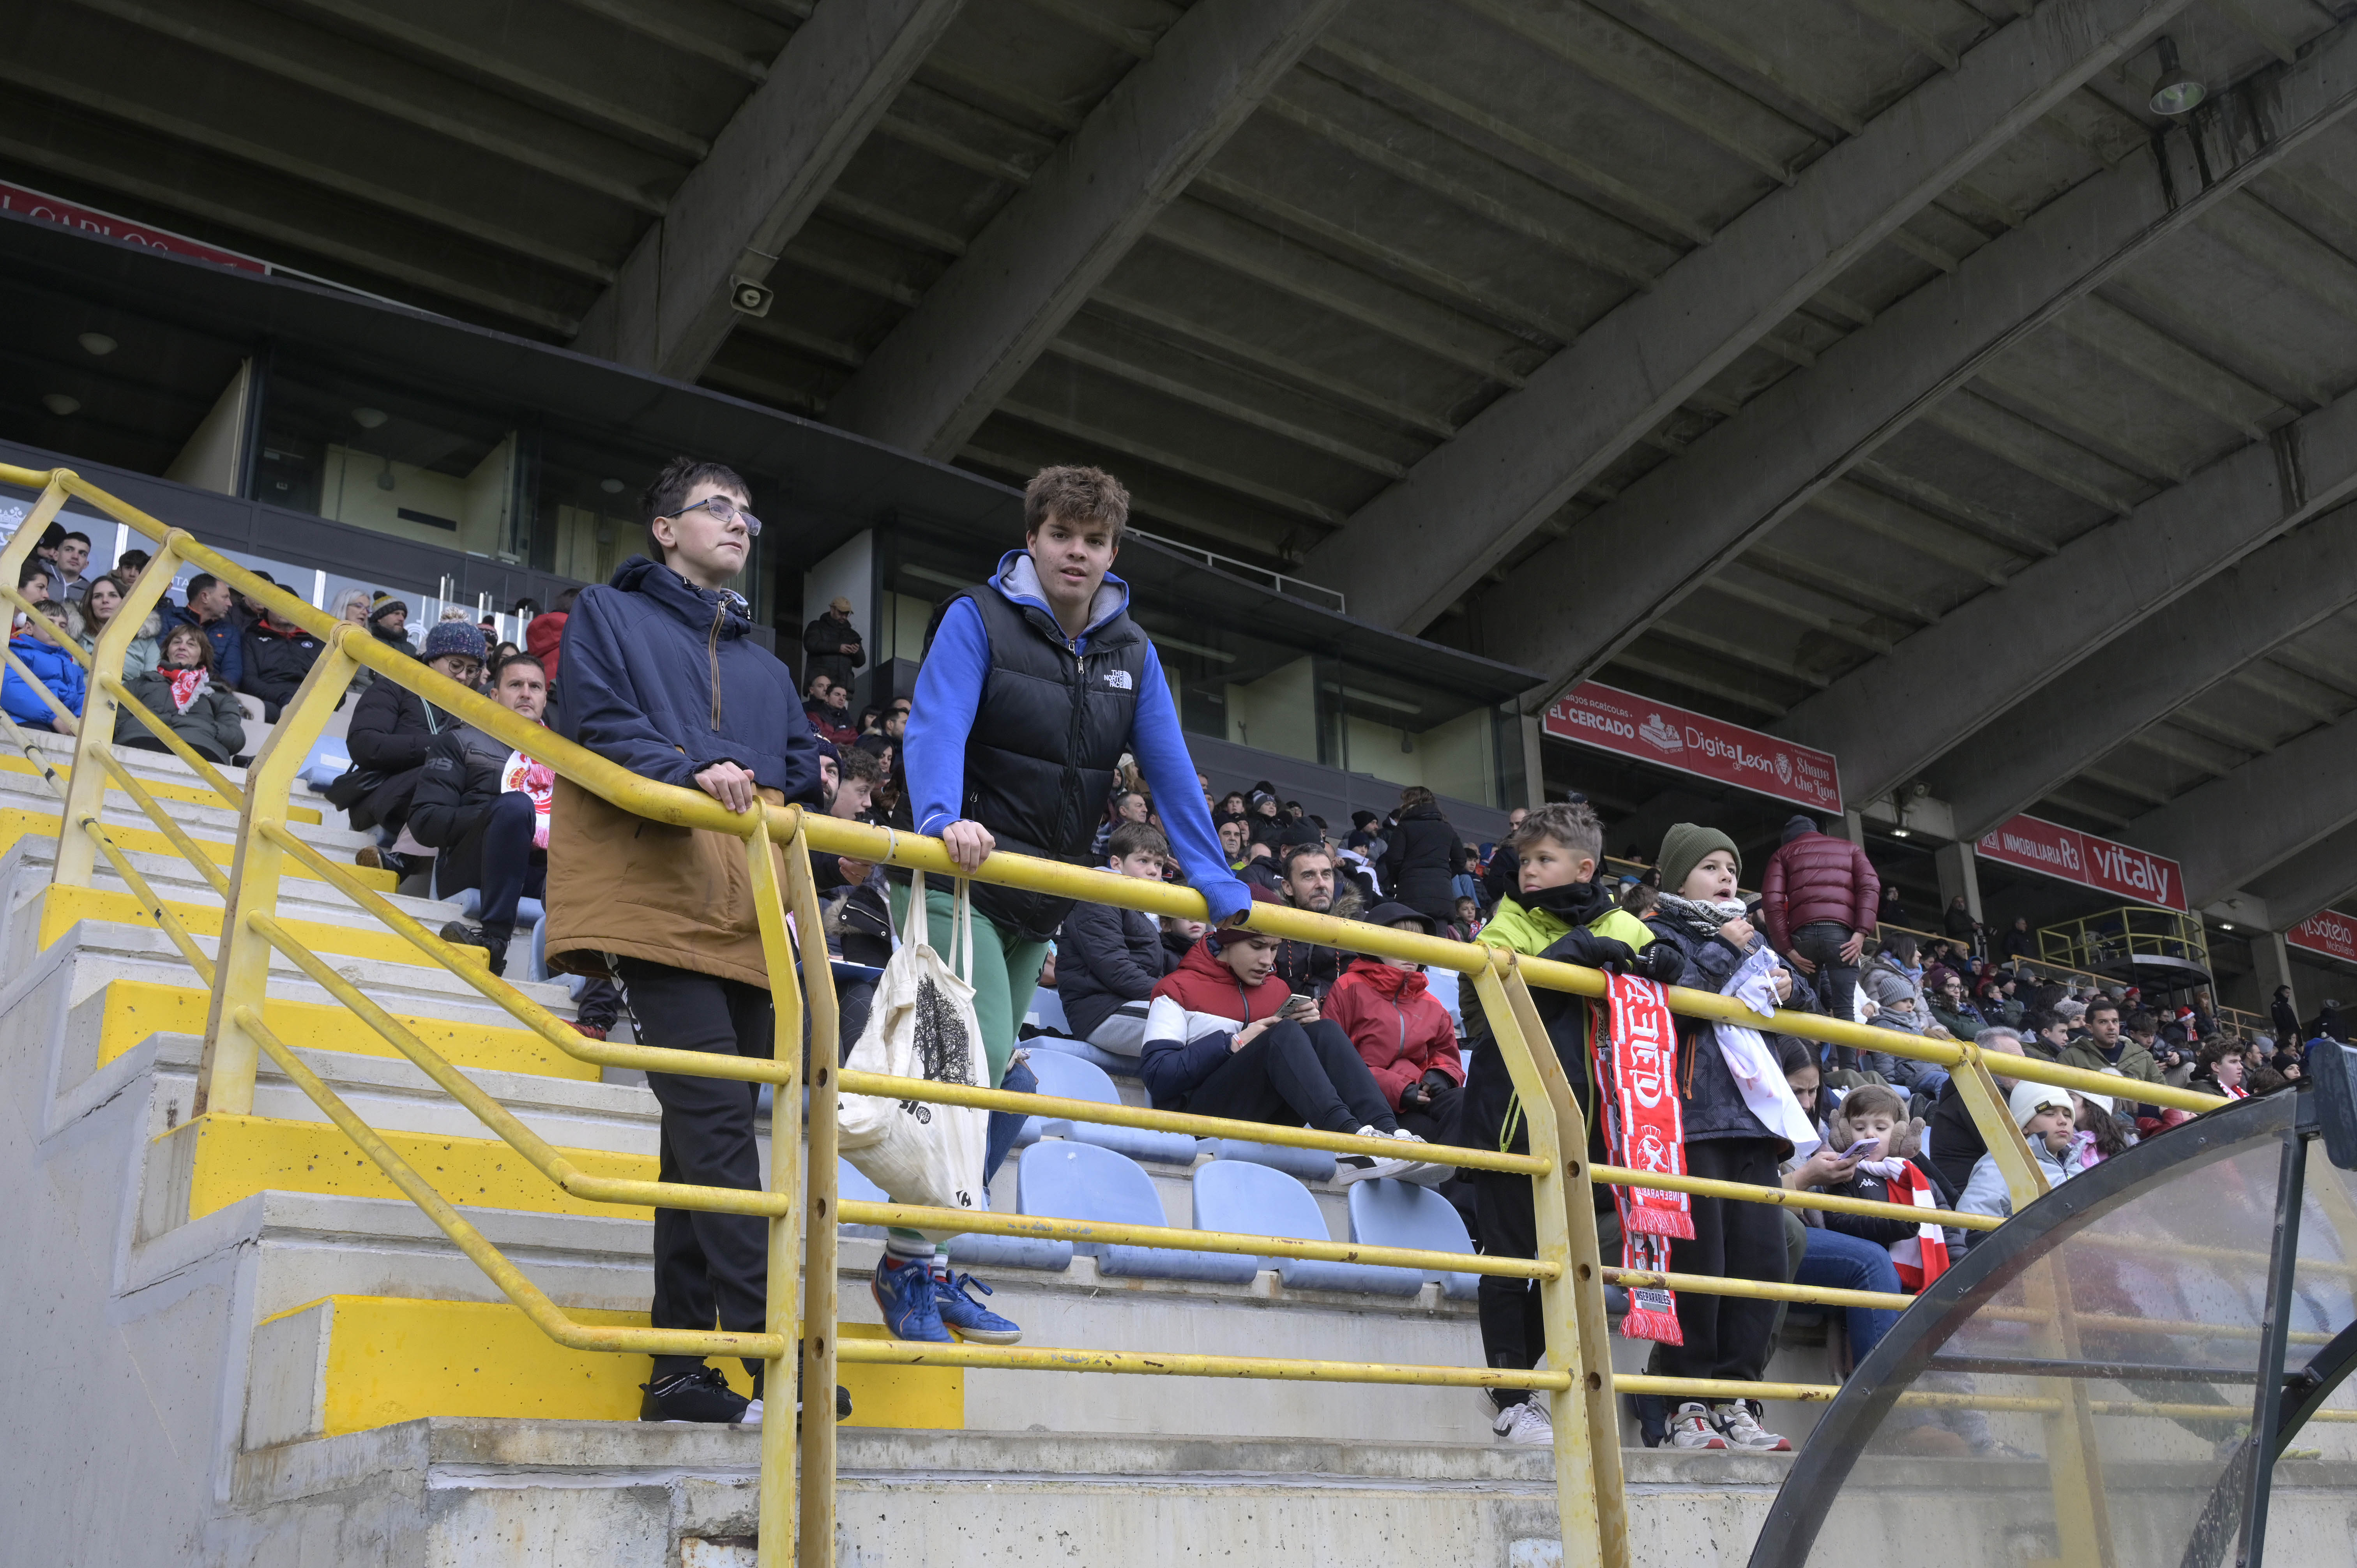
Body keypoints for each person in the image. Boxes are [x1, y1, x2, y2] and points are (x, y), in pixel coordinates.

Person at [889, 464, 1249, 1346]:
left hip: (1038, 894)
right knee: (969, 1077)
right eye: (1061, 535)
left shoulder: (1135, 651)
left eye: (1093, 540)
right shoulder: (977, 617)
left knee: (1006, 1084)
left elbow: (1167, 763)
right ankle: (910, 1259)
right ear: (1034, 539)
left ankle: (925, 1259)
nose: (1076, 553)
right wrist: (942, 816)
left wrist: (1219, 878)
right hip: (956, 876)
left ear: (1113, 551)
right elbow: (935, 722)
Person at [544, 456, 822, 1427]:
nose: (740, 523)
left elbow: (794, 770)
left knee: (699, 1140)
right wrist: (693, 761)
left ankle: (677, 1370)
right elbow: (596, 720)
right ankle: (770, 1350)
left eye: (749, 511)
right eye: (717, 507)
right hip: (651, 894)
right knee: (713, 1126)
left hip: (746, 904)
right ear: (664, 528)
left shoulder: (770, 664)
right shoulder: (608, 614)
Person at [1460, 801, 1678, 1447]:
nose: (1528, 870)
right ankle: (1510, 1393)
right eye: (1524, 859)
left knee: (1568, 1262)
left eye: (1544, 858)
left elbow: (1664, 972)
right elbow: (1501, 1000)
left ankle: (1526, 1379)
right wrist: (1571, 953)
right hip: (1510, 1121)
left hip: (1593, 1132)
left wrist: (1666, 961)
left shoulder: (1620, 921)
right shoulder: (1506, 921)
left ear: (1584, 865)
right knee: (1509, 1260)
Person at [1641, 824, 1805, 1453]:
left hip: (1754, 1124)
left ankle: (1736, 1397)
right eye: (1710, 866)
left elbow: (1800, 999)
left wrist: (1793, 985)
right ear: (1677, 876)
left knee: (1759, 1262)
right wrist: (1723, 946)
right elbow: (1673, 1003)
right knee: (1698, 1266)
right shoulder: (1657, 932)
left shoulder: (1749, 936)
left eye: (1731, 867)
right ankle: (1685, 1404)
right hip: (1688, 1119)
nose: (1726, 877)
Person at [1138, 917, 1445, 1183]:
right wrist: (1234, 1043)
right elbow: (1159, 1077)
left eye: (1274, 949)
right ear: (1227, 941)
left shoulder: (1278, 989)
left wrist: (1308, 1026)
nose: (1267, 960)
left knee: (1323, 1030)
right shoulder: (1175, 988)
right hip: (1196, 1122)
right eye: (1257, 947)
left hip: (1267, 1117)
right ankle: (1350, 1140)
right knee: (1281, 1034)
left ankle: (1390, 1136)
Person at [412, 654, 557, 978]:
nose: (526, 693)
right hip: (472, 866)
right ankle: (494, 940)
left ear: (545, 697)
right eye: (515, 685)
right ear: (494, 694)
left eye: (535, 686)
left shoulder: (566, 757)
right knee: (516, 807)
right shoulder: (460, 742)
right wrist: (501, 822)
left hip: (544, 876)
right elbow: (426, 822)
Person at [1777, 1042, 1904, 1371]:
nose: (1807, 1103)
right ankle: (1879, 1405)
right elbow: (1747, 1204)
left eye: (1814, 1091)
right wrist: (1807, 1178)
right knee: (1872, 1263)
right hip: (1773, 1238)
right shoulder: (1748, 1123)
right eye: (1797, 1092)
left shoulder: (1817, 1130)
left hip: (1804, 1234)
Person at [340, 620, 484, 872]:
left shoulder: (475, 708)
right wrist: (437, 747)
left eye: (472, 671)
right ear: (431, 659)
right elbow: (364, 744)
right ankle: (405, 860)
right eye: (456, 665)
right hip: (384, 794)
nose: (463, 677)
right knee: (446, 771)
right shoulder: (394, 686)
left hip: (446, 801)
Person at [1323, 901, 1464, 1144]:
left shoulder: (1434, 1005)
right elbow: (1334, 1060)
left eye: (1417, 945)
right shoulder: (1348, 988)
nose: (1411, 953)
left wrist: (1441, 1076)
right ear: (1375, 945)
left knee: (1466, 1104)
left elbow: (1448, 1057)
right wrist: (1398, 1089)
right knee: (1432, 1136)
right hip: (1369, 1103)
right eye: (1400, 943)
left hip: (1420, 1097)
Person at [1055, 822, 1182, 1058]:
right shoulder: (1100, 898)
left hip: (1127, 1004)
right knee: (1193, 1026)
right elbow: (1116, 970)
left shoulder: (1139, 911)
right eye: (1143, 861)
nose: (1154, 871)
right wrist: (1174, 996)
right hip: (1101, 1012)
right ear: (1117, 864)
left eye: (1159, 864)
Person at [1760, 814, 1881, 1050]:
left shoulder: (1783, 854)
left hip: (1802, 939)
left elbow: (1772, 902)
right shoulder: (1850, 848)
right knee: (1846, 1008)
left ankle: (1814, 1071)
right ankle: (1849, 1071)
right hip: (1842, 937)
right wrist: (1860, 933)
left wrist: (1788, 950)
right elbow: (1870, 886)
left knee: (1804, 1004)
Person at [115, 621, 245, 763]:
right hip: (138, 743)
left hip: (201, 752)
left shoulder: (218, 693)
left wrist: (207, 730)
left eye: (191, 644)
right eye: (177, 643)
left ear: (202, 655)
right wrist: (135, 726)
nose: (182, 647)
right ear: (167, 650)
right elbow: (115, 721)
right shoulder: (140, 683)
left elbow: (236, 739)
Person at [1957, 1081, 2076, 1218]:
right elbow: (1972, 1224)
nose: (2063, 1121)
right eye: (2050, 1114)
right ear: (2024, 1125)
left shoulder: (2078, 1169)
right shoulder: (2002, 1167)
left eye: (2067, 1115)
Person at [4, 564, 84, 732]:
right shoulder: (16, 650)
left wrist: (79, 718)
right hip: (26, 720)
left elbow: (81, 695)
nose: (46, 595)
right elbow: (11, 687)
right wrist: (53, 718)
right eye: (40, 587)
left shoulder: (68, 661)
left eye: (62, 625)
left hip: (60, 721)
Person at [1270, 842, 1352, 999]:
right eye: (1309, 876)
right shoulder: (1271, 928)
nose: (1321, 884)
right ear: (1288, 887)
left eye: (1326, 874)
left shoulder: (1360, 927)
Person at [1378, 785, 1467, 927]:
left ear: (1409, 802)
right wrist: (1443, 874)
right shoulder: (1446, 828)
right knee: (1439, 947)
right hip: (1441, 898)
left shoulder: (1404, 826)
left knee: (1411, 947)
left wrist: (1401, 880)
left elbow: (1393, 859)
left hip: (1411, 896)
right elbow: (1461, 859)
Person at [67, 571, 163, 680]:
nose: (105, 600)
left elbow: (152, 681)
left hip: (128, 695)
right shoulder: (76, 636)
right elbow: (72, 680)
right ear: (90, 604)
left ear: (124, 601)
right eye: (98, 596)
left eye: (113, 595)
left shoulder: (146, 639)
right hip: (84, 694)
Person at [240, 604, 328, 722]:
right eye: (279, 603)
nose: (285, 608)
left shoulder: (319, 644)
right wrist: (282, 698)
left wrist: (317, 701)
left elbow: (335, 684)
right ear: (267, 609)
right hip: (272, 702)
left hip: (315, 704)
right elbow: (249, 680)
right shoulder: (251, 639)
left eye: (291, 604)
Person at [2055, 997, 2162, 1089]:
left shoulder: (2143, 1056)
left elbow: (2163, 1092)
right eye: (2103, 1022)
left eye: (2115, 1021)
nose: (2111, 1027)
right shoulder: (2071, 1057)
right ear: (2090, 1028)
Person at [169, 573, 245, 690]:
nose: (230, 603)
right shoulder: (167, 618)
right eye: (225, 597)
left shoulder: (231, 632)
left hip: (211, 694)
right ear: (205, 597)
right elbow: (159, 657)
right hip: (168, 686)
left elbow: (233, 672)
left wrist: (211, 691)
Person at [802, 594, 865, 695]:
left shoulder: (852, 635)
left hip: (843, 689)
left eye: (847, 614)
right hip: (821, 687)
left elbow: (861, 662)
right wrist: (838, 648)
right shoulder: (817, 626)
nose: (844, 617)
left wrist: (856, 652)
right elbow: (811, 644)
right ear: (832, 609)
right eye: (841, 613)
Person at [1482, 806, 1528, 906]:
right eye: (1512, 825)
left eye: (1518, 824)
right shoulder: (1506, 852)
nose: (1514, 828)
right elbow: (1492, 884)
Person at [50, 529, 92, 601]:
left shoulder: (92, 594)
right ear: (56, 555)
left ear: (86, 564)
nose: (75, 557)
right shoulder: (35, 578)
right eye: (69, 550)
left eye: (83, 554)